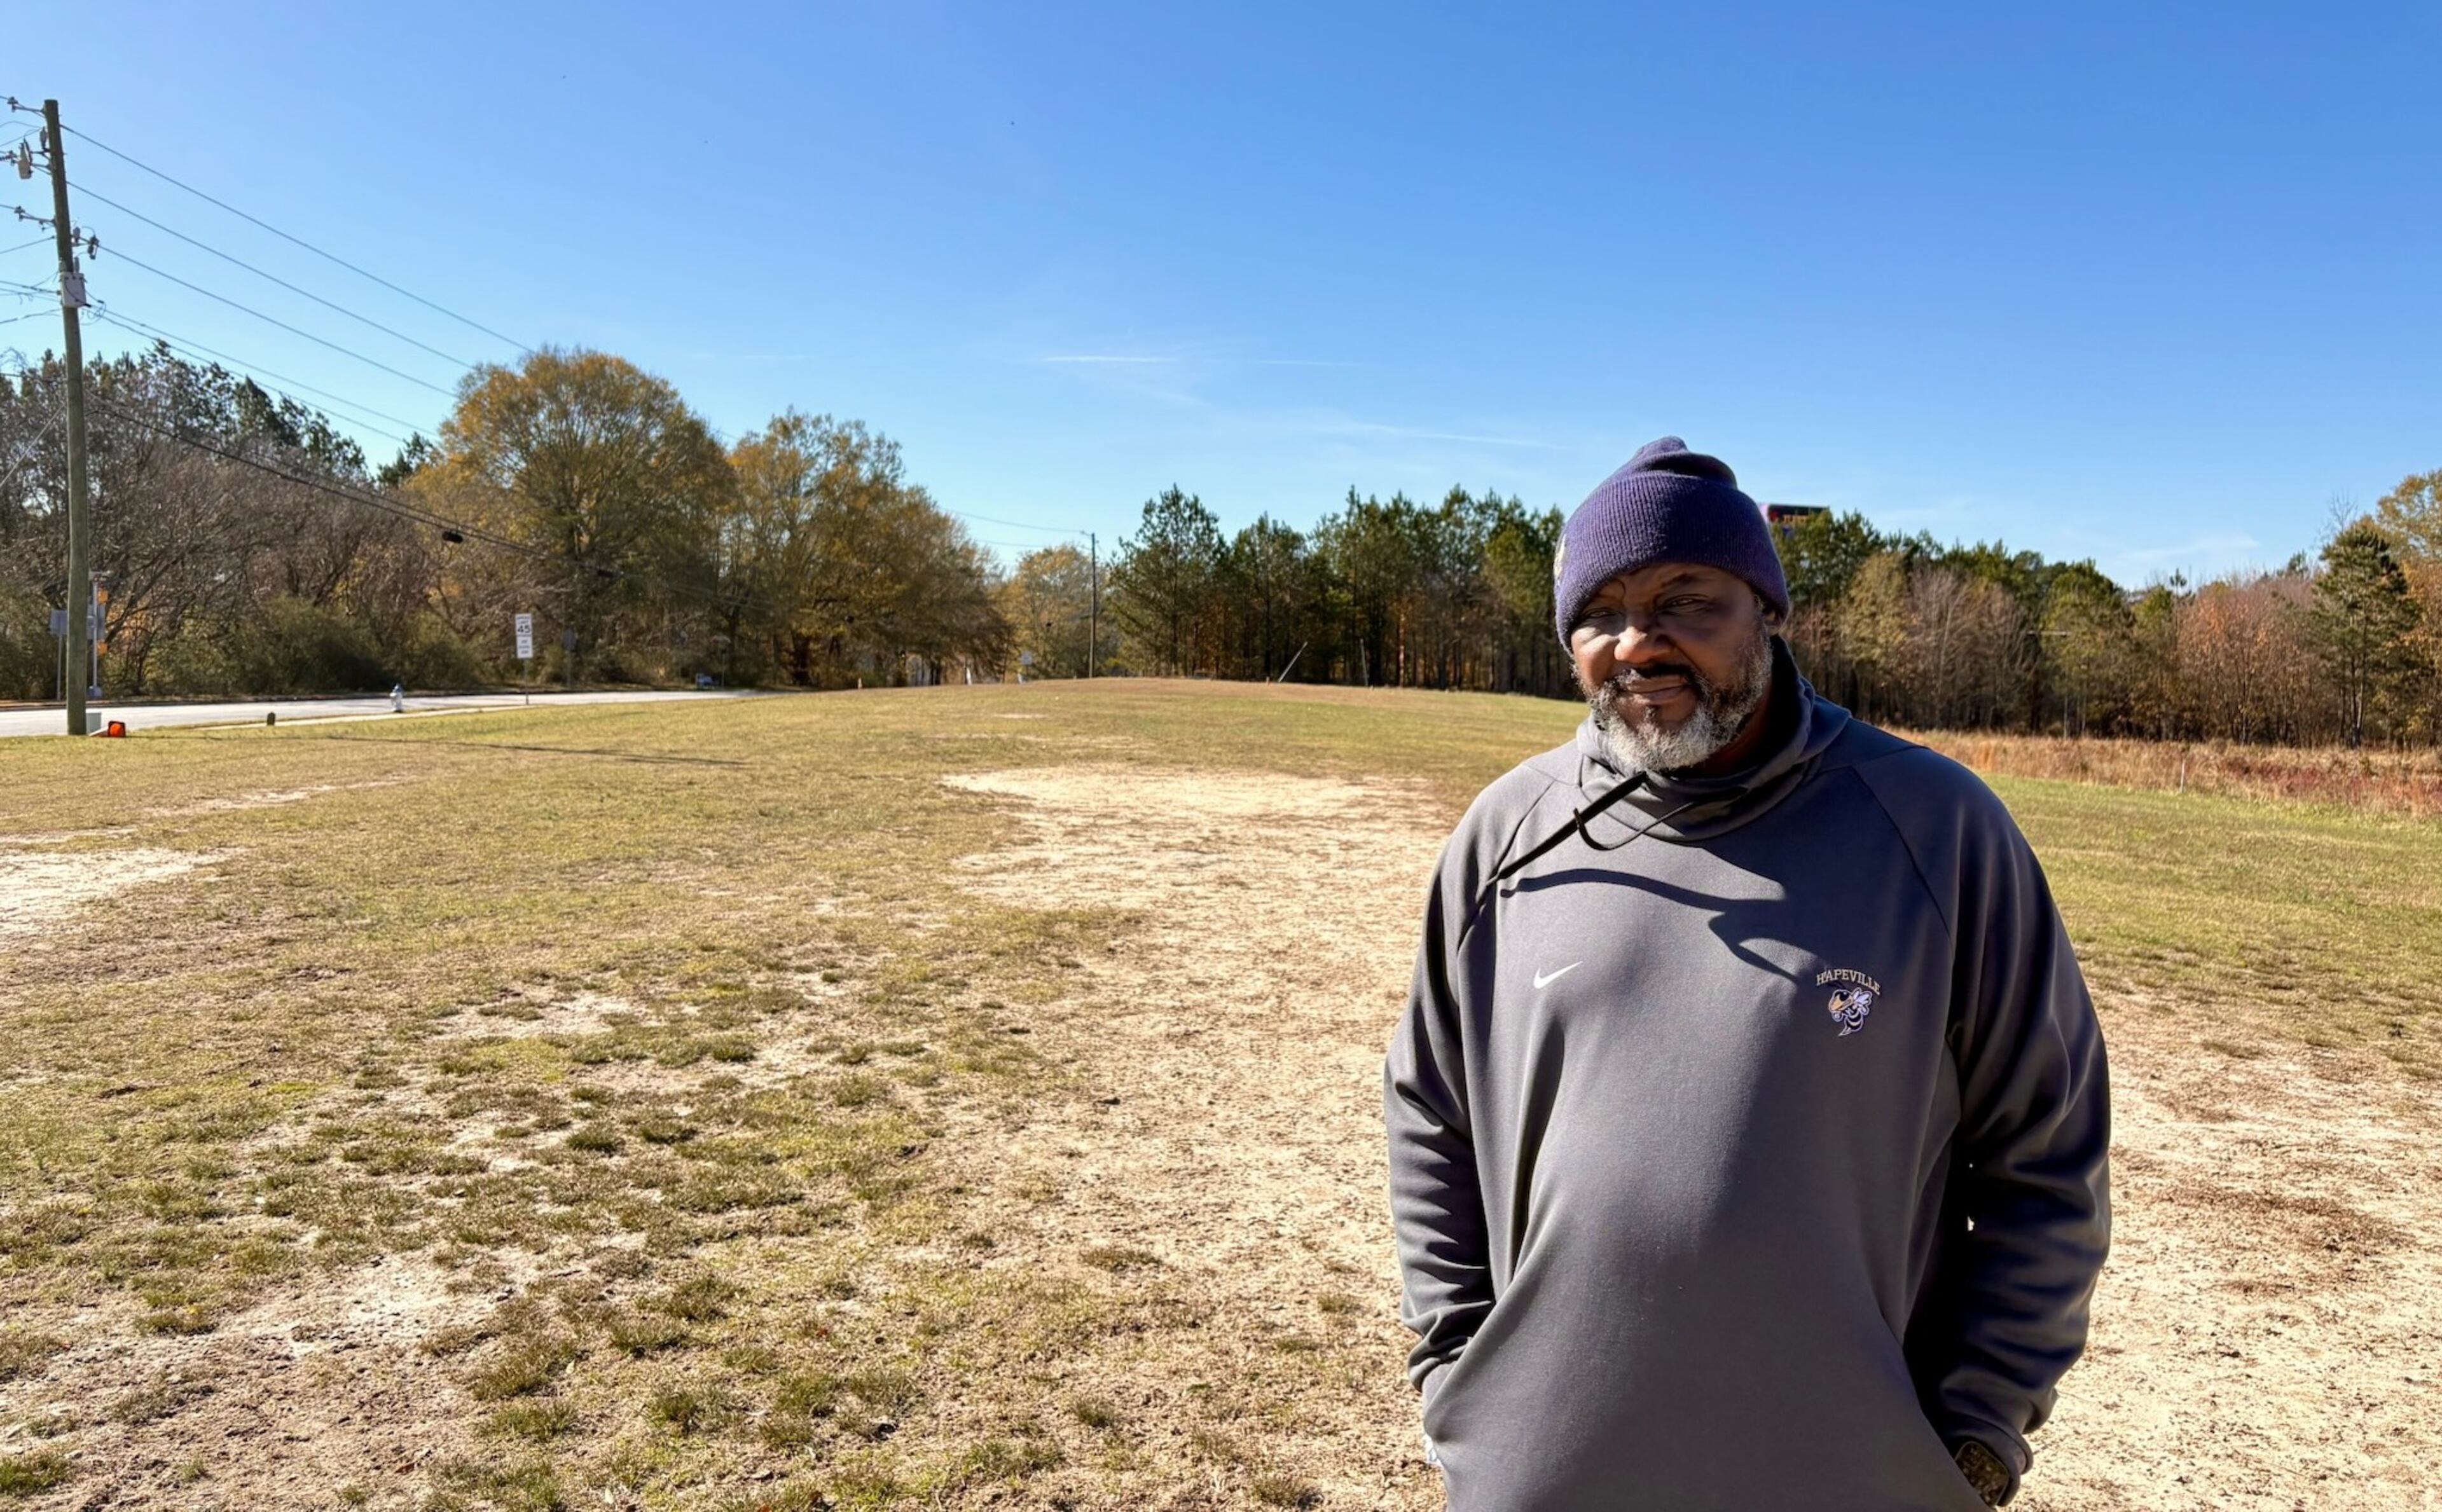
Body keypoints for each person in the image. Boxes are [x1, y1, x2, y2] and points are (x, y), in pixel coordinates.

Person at [1383, 438, 2109, 1510]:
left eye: (1688, 599)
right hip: (1544, 1476)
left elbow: (2048, 1159)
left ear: (1767, 609)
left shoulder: (1938, 830)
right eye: (1601, 612)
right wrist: (1461, 1373)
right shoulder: (1506, 836)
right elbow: (1429, 1112)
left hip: (1852, 1481)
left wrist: (1975, 1433)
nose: (1640, 643)